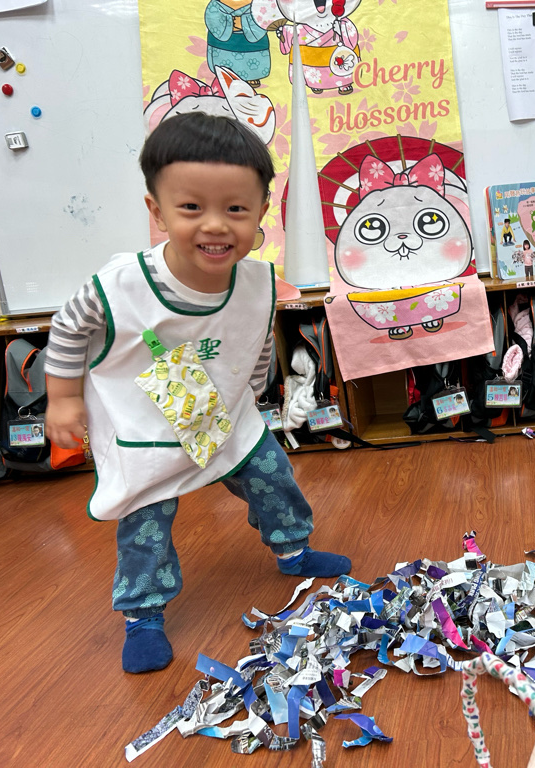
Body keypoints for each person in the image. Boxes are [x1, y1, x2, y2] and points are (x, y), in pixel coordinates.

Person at [44, 113, 351, 675]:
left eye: (235, 209)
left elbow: (254, 337)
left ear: (262, 211)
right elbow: (68, 327)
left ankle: (293, 549)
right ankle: (142, 615)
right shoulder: (120, 284)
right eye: (190, 207)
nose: (215, 225)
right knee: (145, 526)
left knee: (273, 476)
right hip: (149, 432)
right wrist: (62, 399)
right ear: (157, 211)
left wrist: (253, 392)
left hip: (227, 419)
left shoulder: (259, 281)